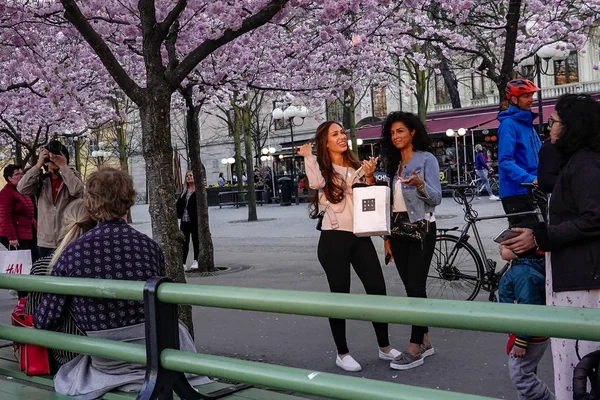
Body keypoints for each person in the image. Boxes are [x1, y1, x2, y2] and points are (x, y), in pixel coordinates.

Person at [34, 167, 209, 398]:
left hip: (107, 359)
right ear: (129, 201)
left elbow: (45, 320)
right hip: (157, 351)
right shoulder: (149, 247)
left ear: (91, 202)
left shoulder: (73, 252)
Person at [501, 94, 600, 400]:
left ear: (572, 126)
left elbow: (594, 218)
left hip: (582, 281)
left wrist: (539, 237)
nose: (549, 127)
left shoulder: (585, 164)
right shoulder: (579, 161)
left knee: (579, 367)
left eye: (555, 121)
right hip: (577, 276)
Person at [297, 121, 400, 372]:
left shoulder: (355, 165)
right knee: (340, 295)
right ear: (326, 142)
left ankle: (384, 347)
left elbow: (369, 201)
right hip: (334, 239)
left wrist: (369, 175)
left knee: (377, 289)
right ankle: (342, 353)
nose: (342, 136)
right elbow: (315, 184)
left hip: (360, 236)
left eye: (343, 132)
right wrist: (308, 156)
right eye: (335, 134)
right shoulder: (322, 168)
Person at [379, 111, 442, 371]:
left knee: (417, 287)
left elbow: (436, 198)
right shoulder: (392, 165)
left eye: (400, 131)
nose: (396, 136)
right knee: (410, 288)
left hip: (422, 228)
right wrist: (386, 237)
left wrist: (419, 185)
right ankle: (425, 339)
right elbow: (386, 204)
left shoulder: (426, 159)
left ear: (412, 132)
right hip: (397, 231)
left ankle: (415, 347)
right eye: (392, 132)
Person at [26, 199, 96, 368]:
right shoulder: (101, 262)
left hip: (64, 354)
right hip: (104, 349)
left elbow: (34, 318)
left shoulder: (44, 266)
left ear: (64, 225)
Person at [498, 245, 554, 400]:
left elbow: (529, 308)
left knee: (520, 375)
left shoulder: (522, 273)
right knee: (528, 370)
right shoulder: (521, 267)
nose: (500, 247)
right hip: (530, 333)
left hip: (527, 335)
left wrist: (521, 339)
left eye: (506, 245)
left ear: (519, 250)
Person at [17, 139, 83, 258]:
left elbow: (76, 190)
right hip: (46, 241)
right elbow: (22, 188)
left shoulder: (72, 176)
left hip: (68, 238)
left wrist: (63, 167)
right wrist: (38, 165)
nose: (52, 160)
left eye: (56, 157)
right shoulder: (42, 180)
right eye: (49, 158)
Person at [497, 79, 543, 228]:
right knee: (527, 244)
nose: (531, 99)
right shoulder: (508, 125)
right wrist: (530, 178)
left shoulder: (527, 125)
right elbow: (505, 161)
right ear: (514, 99)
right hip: (517, 191)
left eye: (532, 95)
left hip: (533, 189)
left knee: (541, 240)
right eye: (526, 96)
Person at [0, 164, 38, 261]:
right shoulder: (7, 192)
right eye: (17, 174)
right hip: (17, 236)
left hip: (28, 233)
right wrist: (12, 237)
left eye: (22, 174)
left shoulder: (22, 191)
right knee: (22, 262)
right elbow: (5, 217)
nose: (21, 177)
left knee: (33, 259)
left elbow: (29, 214)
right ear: (9, 178)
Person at [176, 171, 199, 272]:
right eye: (187, 176)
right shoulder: (184, 191)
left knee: (195, 240)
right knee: (184, 242)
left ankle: (196, 260)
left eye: (190, 176)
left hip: (194, 220)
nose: (188, 177)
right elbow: (180, 205)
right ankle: (183, 263)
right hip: (184, 220)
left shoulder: (197, 191)